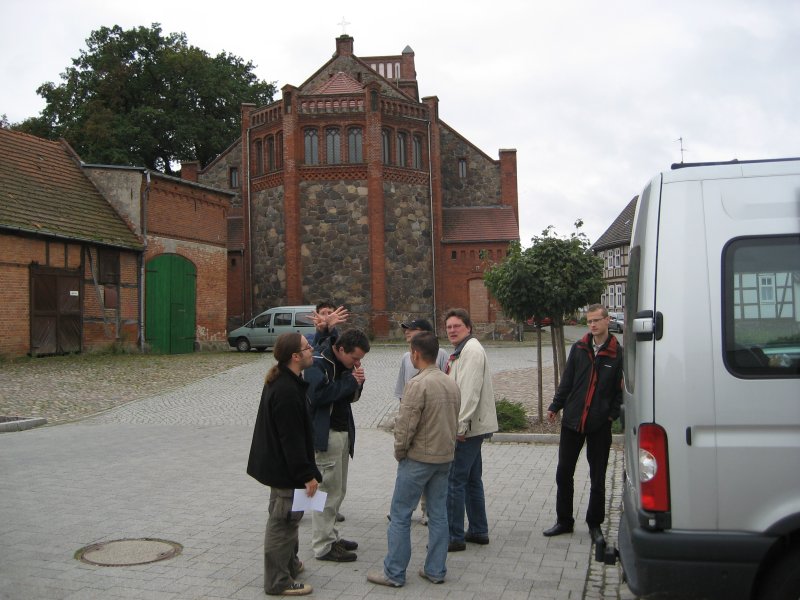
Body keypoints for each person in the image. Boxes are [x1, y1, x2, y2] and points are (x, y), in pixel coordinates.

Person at [367, 332, 461, 587]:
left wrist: (400, 451)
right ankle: (435, 570)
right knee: (439, 515)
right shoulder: (451, 383)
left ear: (415, 354)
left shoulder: (417, 384)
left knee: (400, 514)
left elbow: (406, 425)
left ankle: (394, 572)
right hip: (444, 458)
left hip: (418, 458)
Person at [246, 333, 321, 597]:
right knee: (283, 523)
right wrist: (307, 475)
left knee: (290, 519)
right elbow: (291, 439)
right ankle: (278, 581)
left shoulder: (287, 380)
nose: (312, 350)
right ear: (295, 356)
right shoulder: (286, 390)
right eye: (307, 347)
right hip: (285, 469)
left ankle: (289, 565)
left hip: (281, 466)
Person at [542, 304, 623, 546]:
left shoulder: (617, 353)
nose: (593, 325)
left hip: (599, 424)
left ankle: (594, 524)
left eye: (597, 320)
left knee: (597, 477)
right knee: (564, 472)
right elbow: (567, 380)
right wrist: (555, 405)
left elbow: (621, 390)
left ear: (607, 321)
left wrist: (611, 415)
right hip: (573, 421)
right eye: (589, 321)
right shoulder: (579, 348)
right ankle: (564, 520)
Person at [305, 328, 370, 562]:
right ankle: (323, 545)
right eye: (355, 358)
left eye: (360, 359)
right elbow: (317, 396)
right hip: (326, 435)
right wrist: (350, 381)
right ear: (341, 349)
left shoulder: (343, 364)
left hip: (342, 432)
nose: (357, 363)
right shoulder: (317, 362)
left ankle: (331, 536)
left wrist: (358, 384)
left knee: (338, 491)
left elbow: (349, 396)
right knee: (326, 493)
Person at [443, 308, 499, 552]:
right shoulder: (464, 349)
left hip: (467, 429)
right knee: (472, 480)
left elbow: (469, 391)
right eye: (449, 327)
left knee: (454, 480)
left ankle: (454, 536)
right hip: (473, 427)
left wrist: (460, 425)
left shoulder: (471, 351)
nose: (452, 330)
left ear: (468, 327)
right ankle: (478, 530)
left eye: (457, 326)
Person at [391, 318, 450, 524]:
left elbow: (446, 383)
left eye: (412, 329)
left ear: (426, 333)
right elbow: (401, 390)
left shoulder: (440, 354)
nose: (407, 332)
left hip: (432, 422)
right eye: (405, 329)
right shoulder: (405, 357)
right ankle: (407, 506)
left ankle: (426, 510)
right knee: (410, 470)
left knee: (426, 467)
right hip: (411, 417)